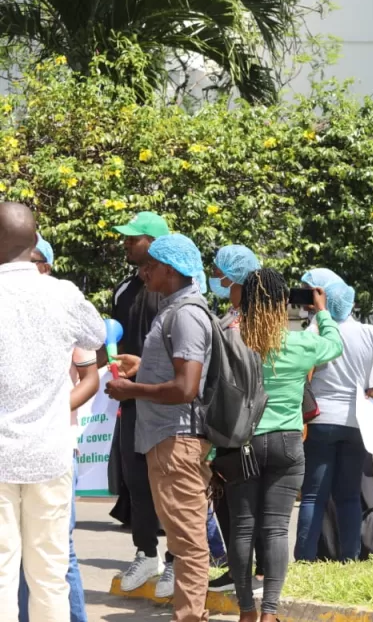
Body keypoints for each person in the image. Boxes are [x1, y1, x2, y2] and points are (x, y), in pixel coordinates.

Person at [0, 203, 106, 620]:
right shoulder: (62, 294)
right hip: (50, 452)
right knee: (49, 572)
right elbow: (96, 335)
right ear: (34, 242)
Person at [106, 234, 214, 622]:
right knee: (183, 537)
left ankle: (190, 615)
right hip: (166, 438)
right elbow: (175, 372)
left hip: (176, 440)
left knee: (187, 540)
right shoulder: (173, 311)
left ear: (170, 270)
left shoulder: (185, 315)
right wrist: (142, 368)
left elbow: (186, 387)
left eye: (149, 266)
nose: (143, 272)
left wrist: (132, 390)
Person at [228, 268, 344, 622]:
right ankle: (269, 613)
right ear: (284, 303)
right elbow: (335, 345)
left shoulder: (233, 341)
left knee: (242, 529)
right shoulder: (299, 343)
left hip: (242, 443)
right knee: (276, 529)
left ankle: (246, 612)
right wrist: (321, 312)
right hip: (287, 443)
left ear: (246, 302)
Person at [294, 268, 373, 564]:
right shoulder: (370, 333)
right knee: (349, 496)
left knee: (313, 495)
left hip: (321, 421)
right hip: (356, 422)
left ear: (322, 297)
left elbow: (301, 374)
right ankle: (349, 559)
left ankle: (304, 559)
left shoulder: (314, 332)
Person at [104, 211, 171, 593]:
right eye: (126, 238)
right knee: (136, 480)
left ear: (155, 243)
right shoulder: (122, 290)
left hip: (170, 403)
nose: (127, 243)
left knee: (171, 483)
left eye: (134, 237)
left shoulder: (177, 290)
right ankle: (146, 554)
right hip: (130, 402)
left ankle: (177, 560)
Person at [205, 245, 266, 595]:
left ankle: (250, 573)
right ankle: (241, 568)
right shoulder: (236, 316)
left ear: (233, 278)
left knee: (242, 504)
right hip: (239, 424)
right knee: (231, 502)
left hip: (245, 425)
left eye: (218, 272)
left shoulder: (245, 322)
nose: (213, 277)